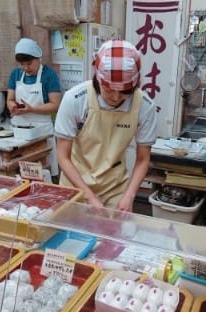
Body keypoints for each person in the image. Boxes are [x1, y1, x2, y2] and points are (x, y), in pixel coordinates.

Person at [54, 40, 157, 211]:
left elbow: (142, 158)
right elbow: (63, 156)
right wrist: (88, 195)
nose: (116, 97)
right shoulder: (76, 100)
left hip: (115, 188)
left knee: (115, 234)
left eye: (125, 92)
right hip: (75, 183)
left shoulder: (144, 106)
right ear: (97, 78)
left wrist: (129, 195)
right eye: (109, 90)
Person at [6, 38, 62, 177]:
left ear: (39, 58)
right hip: (20, 131)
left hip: (42, 131)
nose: (25, 68)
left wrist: (32, 109)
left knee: (44, 172)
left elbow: (55, 105)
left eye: (29, 63)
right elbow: (9, 99)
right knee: (21, 171)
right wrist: (12, 106)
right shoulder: (16, 74)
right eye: (22, 64)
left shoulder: (49, 75)